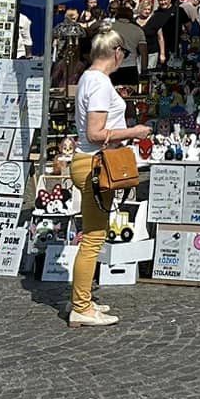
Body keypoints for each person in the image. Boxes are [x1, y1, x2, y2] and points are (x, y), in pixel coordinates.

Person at [69, 31, 148, 329]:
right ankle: (81, 307)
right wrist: (134, 132)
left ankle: (83, 299)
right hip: (95, 164)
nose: (123, 60)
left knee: (92, 234)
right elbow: (95, 133)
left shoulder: (88, 78)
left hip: (86, 161)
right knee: (93, 238)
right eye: (124, 54)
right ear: (115, 52)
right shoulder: (100, 83)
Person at [141, 0, 183, 69]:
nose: (163, 2)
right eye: (160, 0)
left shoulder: (178, 10)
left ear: (169, 0)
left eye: (164, 0)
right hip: (157, 48)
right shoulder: (156, 14)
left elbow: (188, 25)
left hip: (174, 46)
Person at [108, 2, 145, 66]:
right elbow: (143, 52)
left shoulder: (109, 28)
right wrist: (144, 70)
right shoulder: (138, 30)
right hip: (131, 65)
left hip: (112, 65)